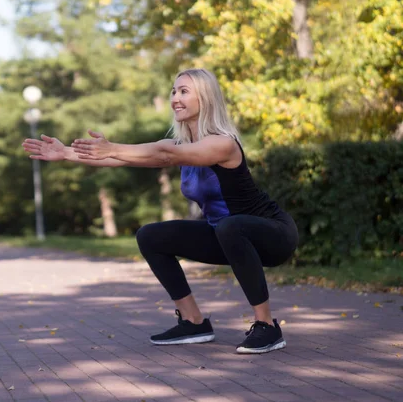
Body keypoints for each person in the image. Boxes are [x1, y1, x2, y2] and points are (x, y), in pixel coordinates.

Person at [22, 68, 299, 354]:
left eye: (184, 91)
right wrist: (66, 153)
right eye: (173, 91)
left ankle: (267, 326)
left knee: (231, 226)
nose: (176, 98)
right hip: (226, 235)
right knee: (151, 236)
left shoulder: (222, 143)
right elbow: (129, 158)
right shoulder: (180, 145)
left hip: (272, 234)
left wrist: (112, 146)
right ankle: (193, 321)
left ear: (205, 98)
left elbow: (162, 154)